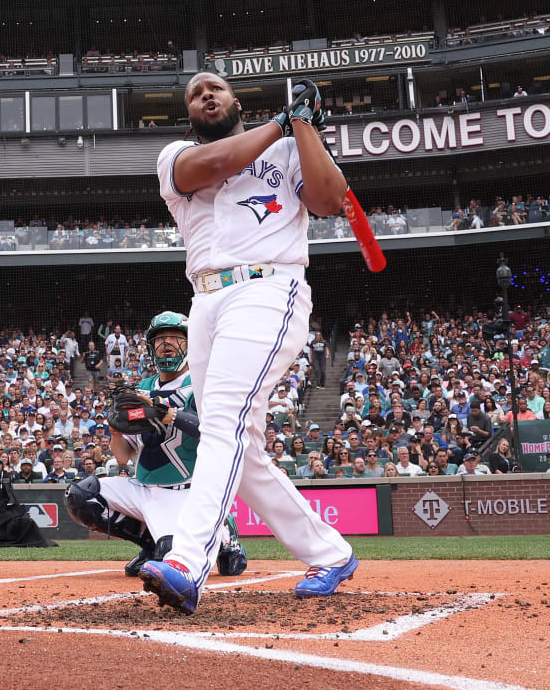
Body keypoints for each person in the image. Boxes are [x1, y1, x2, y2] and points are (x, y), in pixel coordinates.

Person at [139, 72, 357, 614]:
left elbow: (331, 200)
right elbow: (211, 165)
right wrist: (284, 121)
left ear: (237, 100)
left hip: (268, 288)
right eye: (194, 93)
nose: (205, 94)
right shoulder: (174, 156)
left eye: (215, 87)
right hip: (205, 303)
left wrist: (303, 126)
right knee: (245, 448)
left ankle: (188, 562)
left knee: (222, 423)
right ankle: (330, 553)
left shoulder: (287, 146)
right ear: (189, 112)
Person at [65, 312, 247, 579]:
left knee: (171, 560)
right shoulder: (142, 388)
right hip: (143, 487)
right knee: (81, 495)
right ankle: (149, 544)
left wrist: (168, 414)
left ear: (191, 344)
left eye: (175, 337)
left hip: (183, 490)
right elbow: (124, 456)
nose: (166, 344)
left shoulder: (203, 384)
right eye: (160, 339)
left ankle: (224, 532)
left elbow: (216, 431)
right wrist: (116, 431)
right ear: (151, 347)